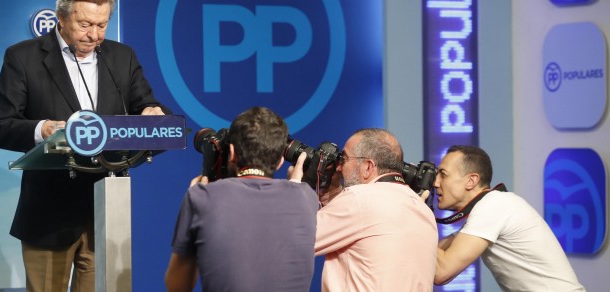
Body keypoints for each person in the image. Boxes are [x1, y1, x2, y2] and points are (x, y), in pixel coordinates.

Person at [0, 0, 169, 292]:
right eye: (85, 24)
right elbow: (0, 127)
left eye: (102, 25)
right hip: (49, 213)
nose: (94, 35)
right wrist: (42, 129)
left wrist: (154, 115)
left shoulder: (122, 57)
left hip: (107, 212)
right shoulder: (23, 58)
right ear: (61, 17)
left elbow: (149, 107)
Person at [164, 106, 320, 292]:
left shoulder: (201, 197)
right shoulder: (306, 197)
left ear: (231, 152)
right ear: (279, 160)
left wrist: (195, 199)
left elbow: (177, 286)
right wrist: (295, 183)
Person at [290, 128, 438, 291]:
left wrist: (296, 187)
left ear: (368, 167)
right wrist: (330, 193)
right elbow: (362, 226)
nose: (338, 168)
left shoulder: (359, 198)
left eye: (344, 159)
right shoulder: (423, 210)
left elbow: (294, 238)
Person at [433, 145, 585, 291]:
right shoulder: (491, 206)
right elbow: (431, 254)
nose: (435, 183)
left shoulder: (493, 206)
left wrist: (417, 213)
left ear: (471, 181)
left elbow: (442, 271)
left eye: (443, 175)